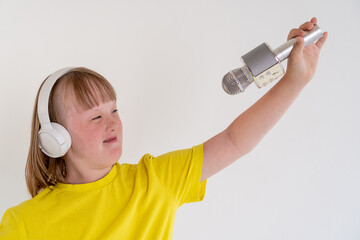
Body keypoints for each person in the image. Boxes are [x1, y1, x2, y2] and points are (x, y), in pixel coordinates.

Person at [0, 17, 327, 239]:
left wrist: (295, 80)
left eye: (114, 110)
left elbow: (234, 140)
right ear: (55, 137)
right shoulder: (21, 223)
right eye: (95, 117)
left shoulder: (154, 180)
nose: (113, 121)